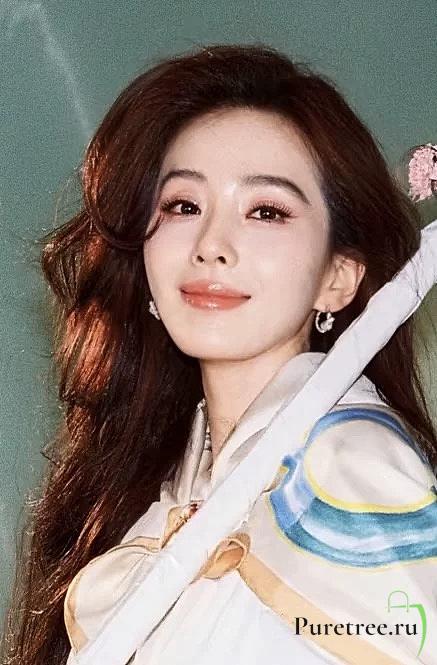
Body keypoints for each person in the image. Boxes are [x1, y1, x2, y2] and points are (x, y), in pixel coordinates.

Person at [2, 43, 437, 665]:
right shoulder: (154, 491)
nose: (211, 244)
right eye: (184, 205)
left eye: (266, 211)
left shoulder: (355, 474)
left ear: (338, 277)